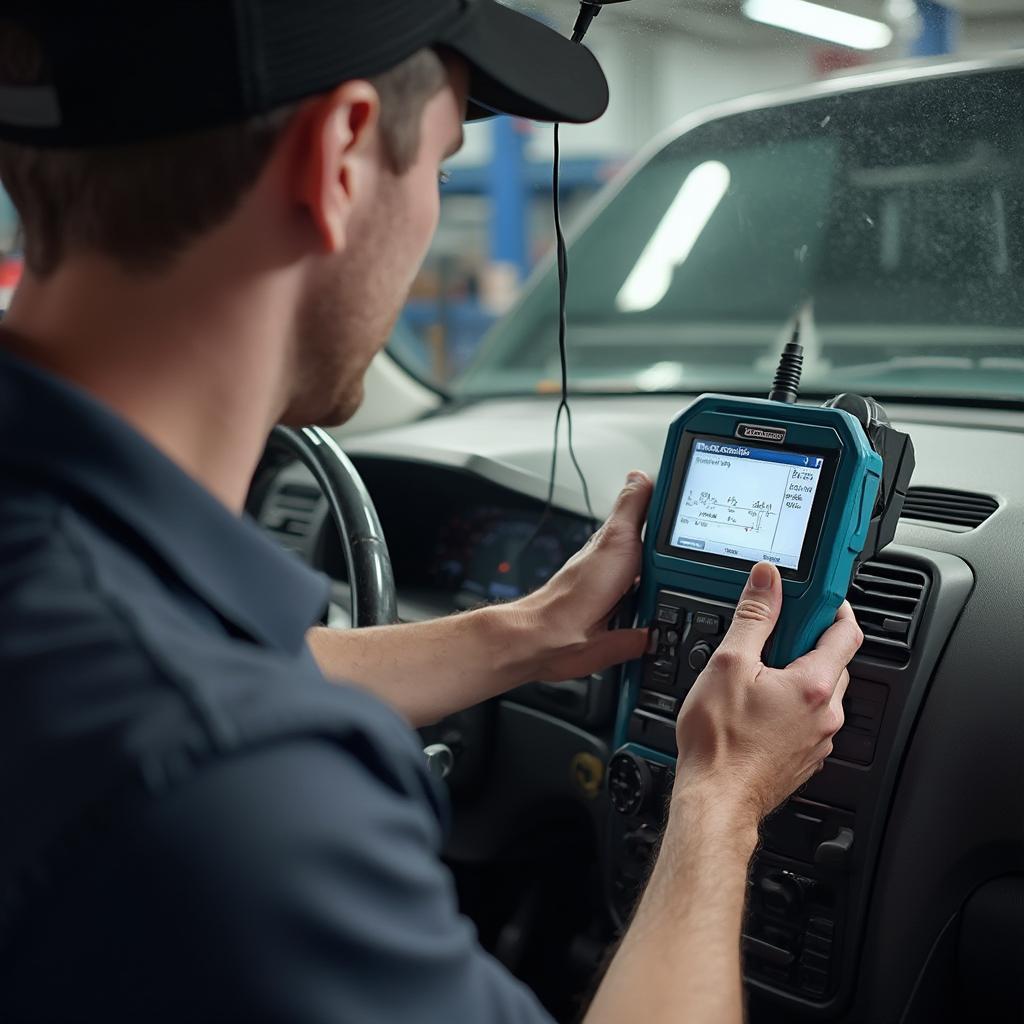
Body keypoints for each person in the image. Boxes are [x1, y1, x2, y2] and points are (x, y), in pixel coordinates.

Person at [0, 2, 861, 1021]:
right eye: (444, 166)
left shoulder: (83, 606)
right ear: (342, 155)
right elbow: (199, 708)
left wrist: (522, 635)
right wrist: (719, 799)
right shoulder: (229, 788)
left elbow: (181, 660)